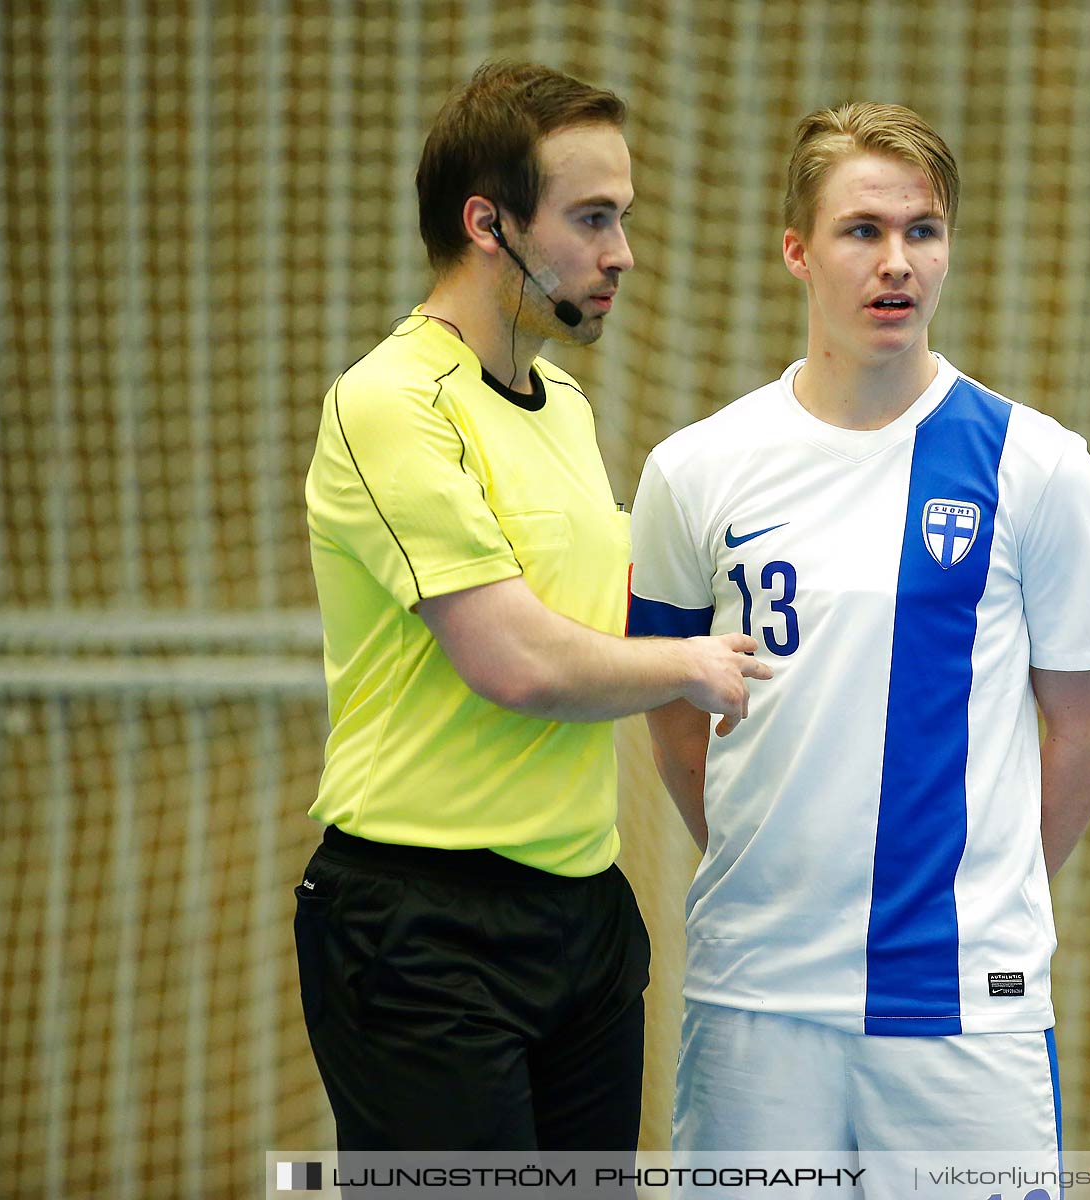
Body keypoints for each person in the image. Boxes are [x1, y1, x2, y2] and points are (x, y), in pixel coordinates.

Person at [628, 102, 1090, 1184]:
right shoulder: (695, 469)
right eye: (863, 231)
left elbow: (1088, 735)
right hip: (755, 992)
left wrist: (981, 899)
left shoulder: (1038, 469)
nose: (897, 263)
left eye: (924, 231)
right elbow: (671, 712)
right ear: (797, 252)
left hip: (962, 1007)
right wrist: (761, 863)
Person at [295, 60, 769, 1156]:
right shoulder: (390, 402)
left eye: (625, 218)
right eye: (592, 218)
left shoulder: (561, 404)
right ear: (488, 222)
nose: (622, 255)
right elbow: (513, 660)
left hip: (583, 912)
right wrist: (696, 664)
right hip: (420, 925)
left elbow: (591, 621)